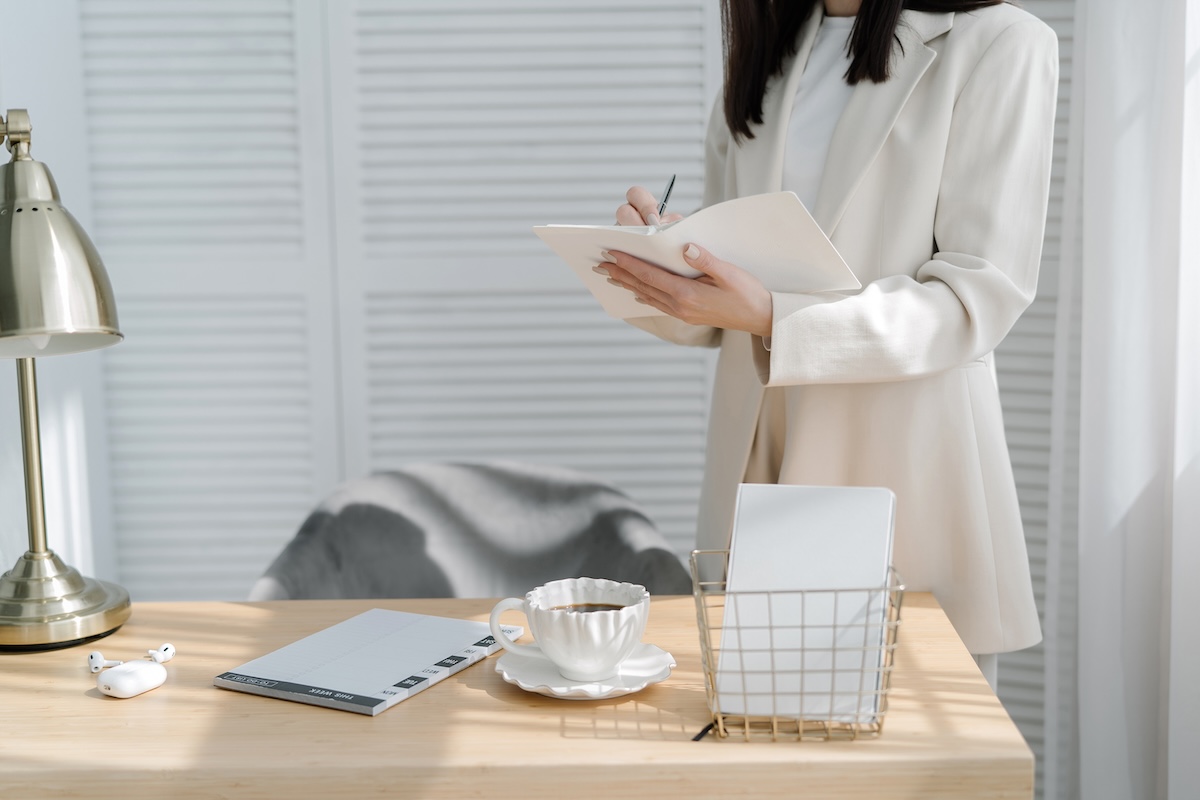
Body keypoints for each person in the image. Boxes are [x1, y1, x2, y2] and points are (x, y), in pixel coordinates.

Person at [595, 0, 1058, 684]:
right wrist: (667, 262)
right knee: (760, 759)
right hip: (758, 476)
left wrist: (780, 319)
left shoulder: (1002, 43)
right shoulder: (767, 57)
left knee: (916, 771)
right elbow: (734, 300)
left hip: (901, 475)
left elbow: (974, 299)